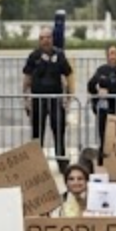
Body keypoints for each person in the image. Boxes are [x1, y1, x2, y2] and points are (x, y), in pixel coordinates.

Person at [22, 27, 73, 167]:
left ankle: (61, 161)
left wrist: (69, 97)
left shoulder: (60, 55)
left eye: (48, 37)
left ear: (52, 39)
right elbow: (27, 77)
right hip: (38, 100)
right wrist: (25, 98)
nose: (46, 40)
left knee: (59, 130)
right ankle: (36, 164)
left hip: (56, 100)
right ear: (39, 40)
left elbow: (68, 74)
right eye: (42, 38)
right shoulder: (34, 56)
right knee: (37, 133)